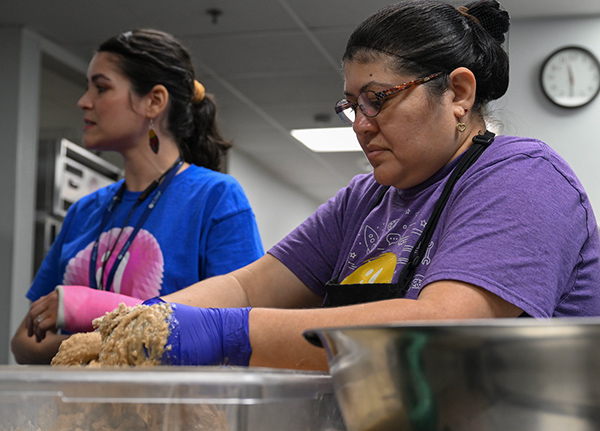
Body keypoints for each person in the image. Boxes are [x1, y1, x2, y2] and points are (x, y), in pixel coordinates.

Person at [30, 0, 600, 371]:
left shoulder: (523, 179)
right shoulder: (365, 200)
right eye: (351, 105)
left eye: (379, 99)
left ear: (458, 93)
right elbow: (250, 289)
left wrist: (217, 336)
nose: (360, 124)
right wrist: (134, 323)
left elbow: (446, 330)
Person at [11, 29, 264, 364]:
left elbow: (237, 329)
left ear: (154, 102)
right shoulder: (84, 211)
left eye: (101, 88)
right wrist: (112, 347)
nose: (84, 101)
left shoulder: (216, 198)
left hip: (171, 415)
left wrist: (86, 329)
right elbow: (24, 341)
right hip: (77, 413)